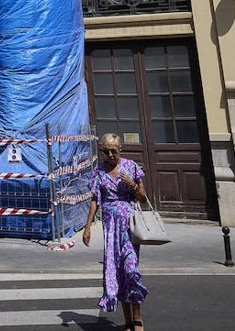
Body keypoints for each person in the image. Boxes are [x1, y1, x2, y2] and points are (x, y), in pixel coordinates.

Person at [82, 132, 149, 330]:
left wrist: (132, 184)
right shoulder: (99, 171)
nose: (110, 155)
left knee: (131, 270)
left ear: (120, 149)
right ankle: (128, 320)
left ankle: (137, 317)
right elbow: (95, 200)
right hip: (110, 228)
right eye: (106, 151)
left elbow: (143, 198)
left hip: (129, 226)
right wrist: (88, 227)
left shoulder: (131, 167)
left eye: (113, 151)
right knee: (116, 274)